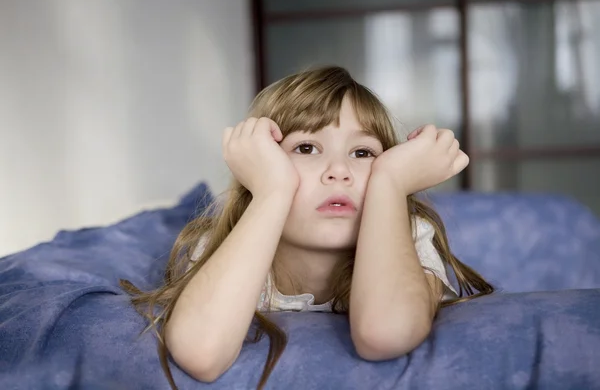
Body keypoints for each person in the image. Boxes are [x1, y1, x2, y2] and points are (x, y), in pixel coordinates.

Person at [121, 66, 494, 390]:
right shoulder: (228, 244)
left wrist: (391, 183)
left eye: (363, 153)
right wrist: (271, 192)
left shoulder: (408, 237)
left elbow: (385, 335)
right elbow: (201, 353)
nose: (339, 170)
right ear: (262, 165)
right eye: (306, 148)